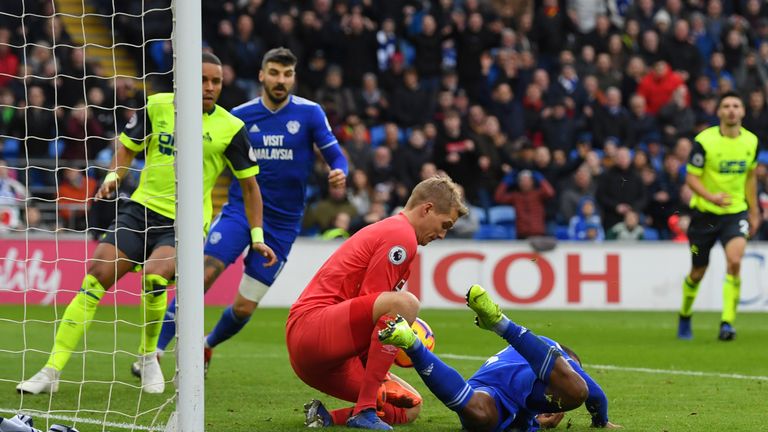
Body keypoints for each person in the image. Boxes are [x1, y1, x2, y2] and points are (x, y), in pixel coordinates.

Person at [16, 52, 276, 395]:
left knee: (155, 275)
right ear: (185, 78)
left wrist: (256, 236)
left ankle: (149, 356)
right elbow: (126, 148)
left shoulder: (231, 127)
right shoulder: (157, 106)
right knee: (96, 276)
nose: (210, 87)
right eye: (202, 80)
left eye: (215, 81)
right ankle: (51, 371)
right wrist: (113, 176)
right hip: (140, 210)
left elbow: (250, 186)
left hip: (184, 223)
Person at [151, 47, 349, 375]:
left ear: (294, 77)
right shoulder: (239, 116)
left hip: (281, 226)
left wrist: (339, 170)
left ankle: (207, 344)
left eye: (287, 74)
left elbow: (335, 154)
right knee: (201, 277)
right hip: (238, 213)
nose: (280, 80)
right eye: (274, 73)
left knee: (243, 307)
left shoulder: (310, 113)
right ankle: (155, 353)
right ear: (261, 75)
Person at [290, 176, 468, 430]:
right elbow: (373, 303)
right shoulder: (401, 234)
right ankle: (365, 411)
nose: (442, 234)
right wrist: (397, 340)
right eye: (444, 224)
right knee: (406, 305)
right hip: (313, 329)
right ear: (427, 208)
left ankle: (326, 417)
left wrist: (382, 353)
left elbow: (370, 309)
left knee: (410, 407)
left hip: (326, 356)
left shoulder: (397, 232)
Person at [374, 284, 621, 431]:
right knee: (578, 391)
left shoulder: (527, 353)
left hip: (489, 389)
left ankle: (411, 342)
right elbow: (595, 395)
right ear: (565, 359)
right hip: (506, 386)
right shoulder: (550, 348)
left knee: (481, 418)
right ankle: (500, 325)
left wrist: (537, 419)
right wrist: (601, 421)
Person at [678, 91, 760, 341]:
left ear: (743, 111)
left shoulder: (751, 142)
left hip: (735, 213)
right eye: (727, 106)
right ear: (719, 112)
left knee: (734, 261)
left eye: (736, 105)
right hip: (705, 215)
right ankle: (685, 314)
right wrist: (711, 197)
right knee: (697, 272)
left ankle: (727, 322)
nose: (732, 110)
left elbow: (750, 177)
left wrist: (755, 211)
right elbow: (691, 177)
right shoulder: (704, 141)